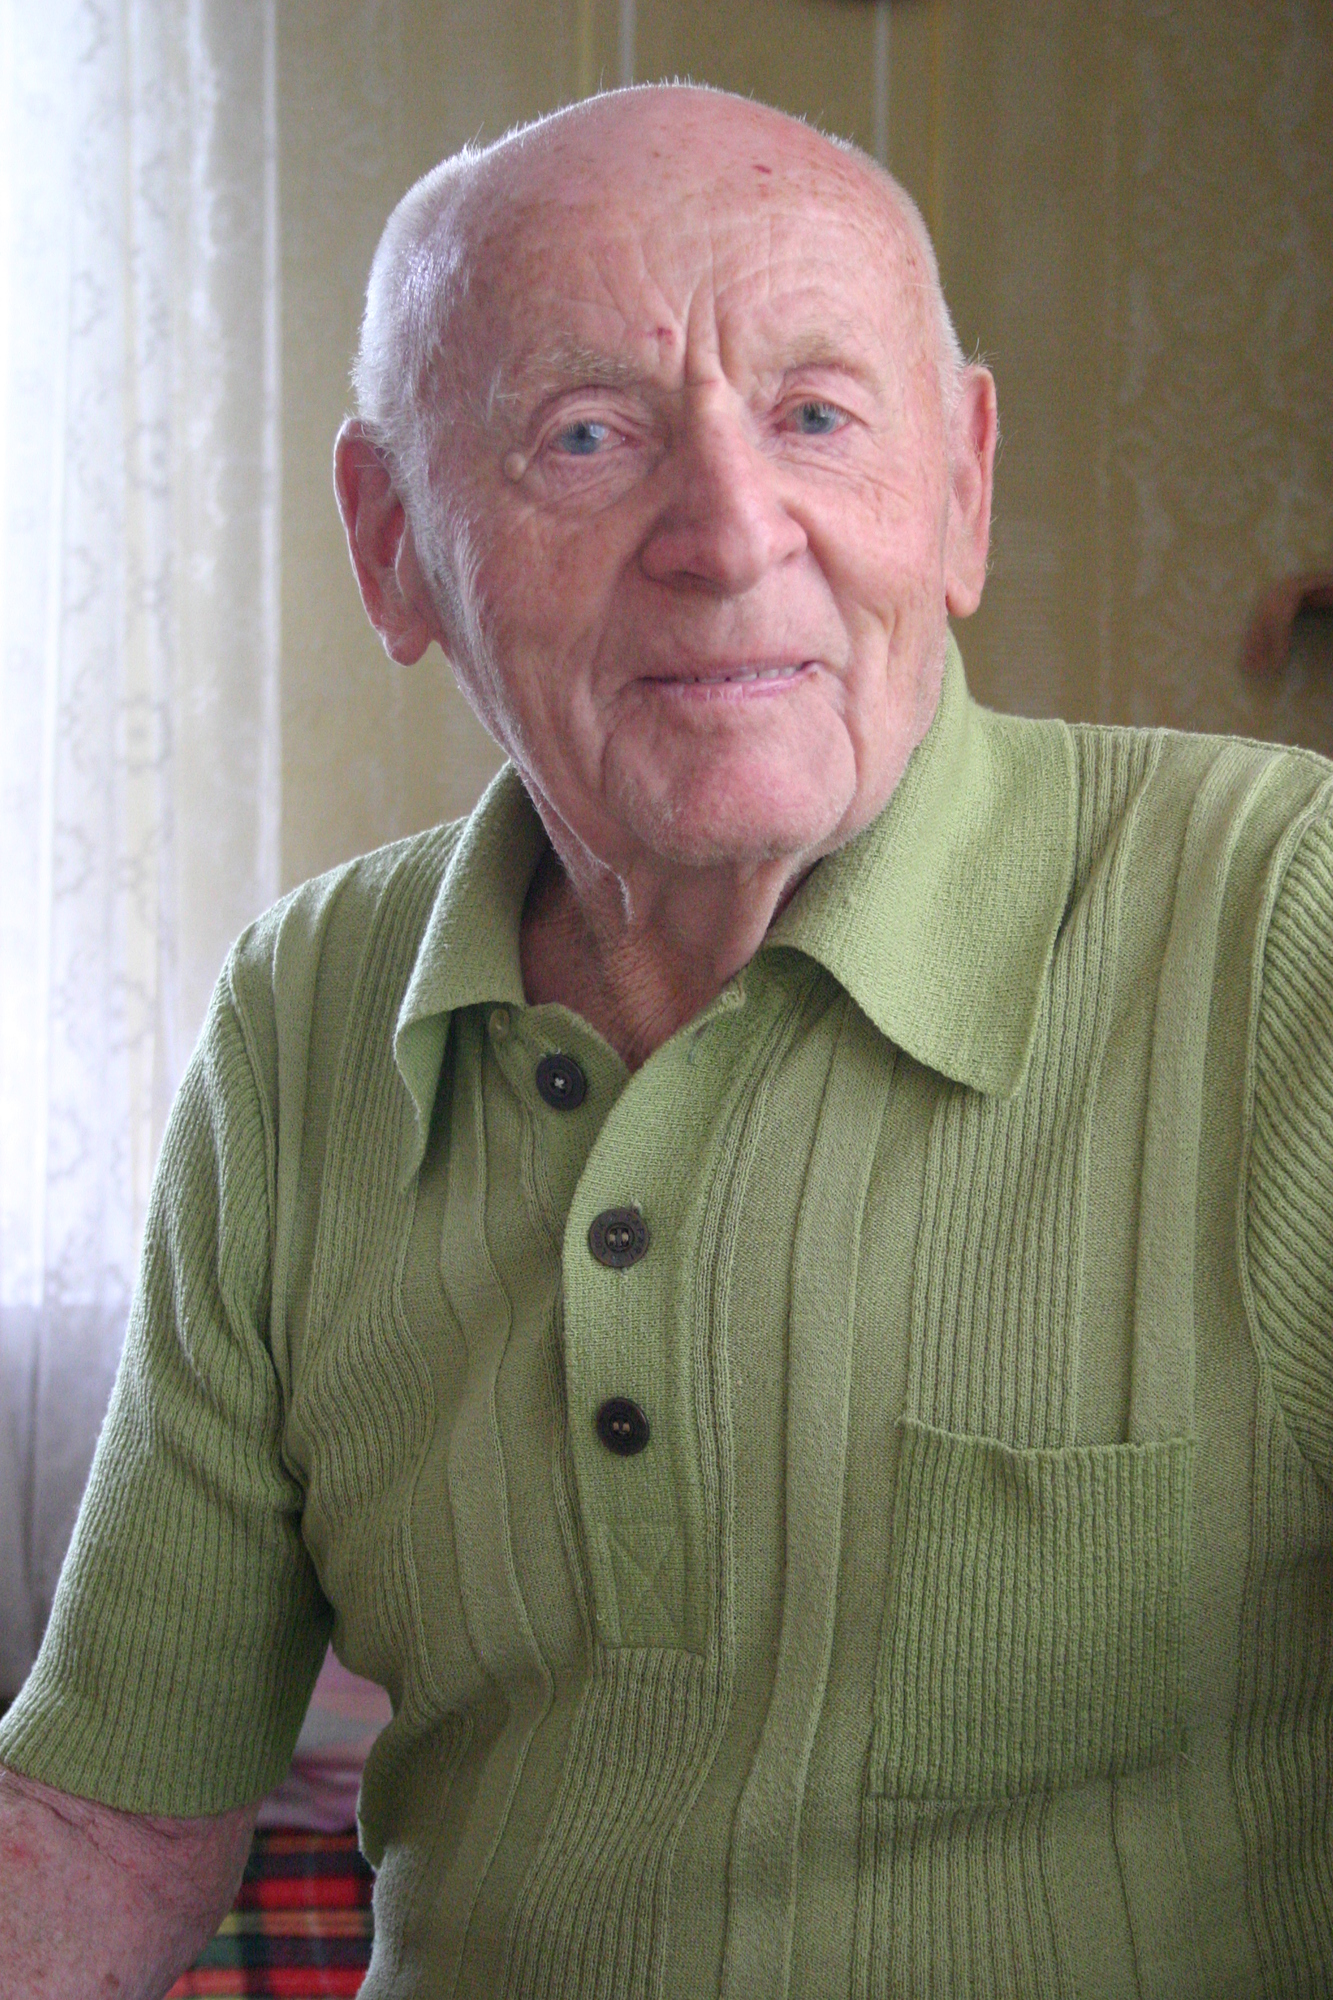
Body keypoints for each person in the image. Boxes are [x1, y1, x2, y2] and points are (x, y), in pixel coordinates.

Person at [1, 82, 1331, 2000]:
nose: (725, 532)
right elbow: (111, 1821)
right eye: (586, 434)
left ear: (960, 488)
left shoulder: (1279, 922)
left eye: (815, 416)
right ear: (392, 543)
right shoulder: (305, 1014)